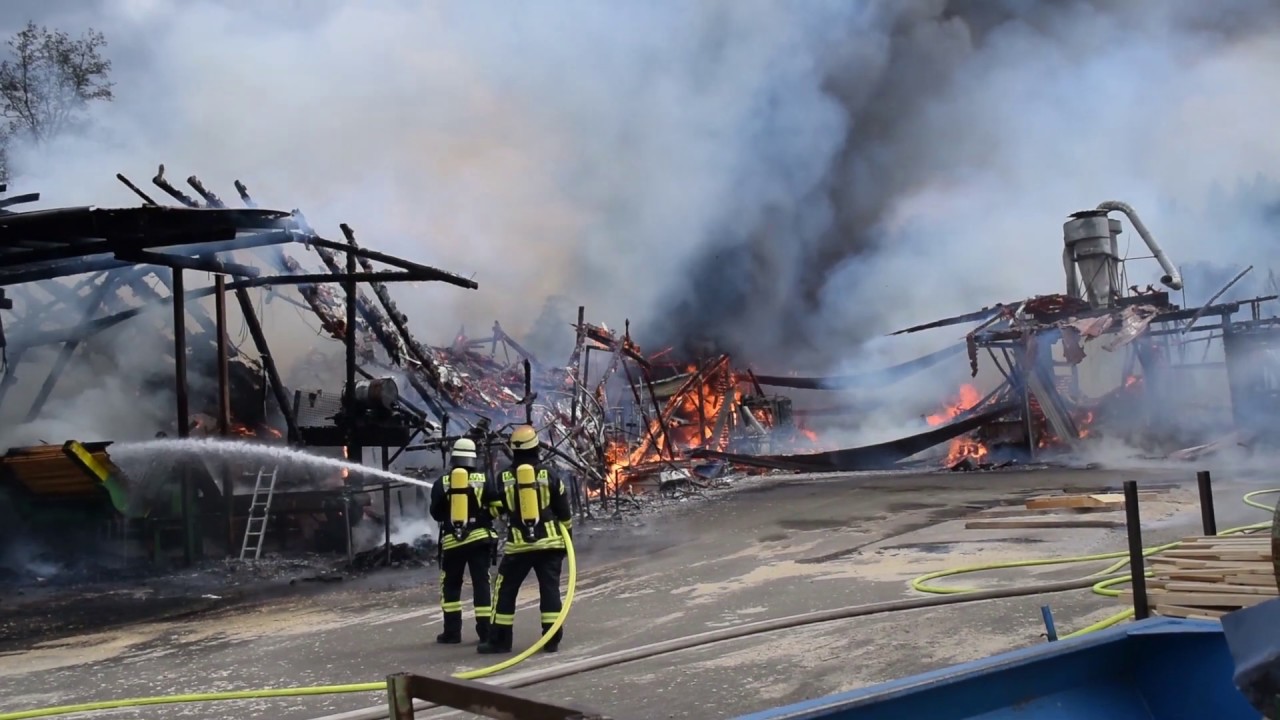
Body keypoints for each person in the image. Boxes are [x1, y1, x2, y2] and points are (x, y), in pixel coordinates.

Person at [477, 424, 573, 655]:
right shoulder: (549, 475)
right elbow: (564, 513)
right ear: (536, 448)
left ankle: (500, 641)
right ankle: (551, 639)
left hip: (519, 546)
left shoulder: (504, 478)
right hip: (551, 544)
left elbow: (496, 508)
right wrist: (566, 542)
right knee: (549, 590)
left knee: (505, 590)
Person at [429, 437, 498, 644]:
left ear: (453, 458)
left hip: (453, 543)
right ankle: (485, 632)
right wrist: (484, 515)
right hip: (479, 541)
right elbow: (496, 506)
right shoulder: (484, 479)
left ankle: (452, 632)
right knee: (481, 584)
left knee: (450, 585)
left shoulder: (442, 482)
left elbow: (436, 514)